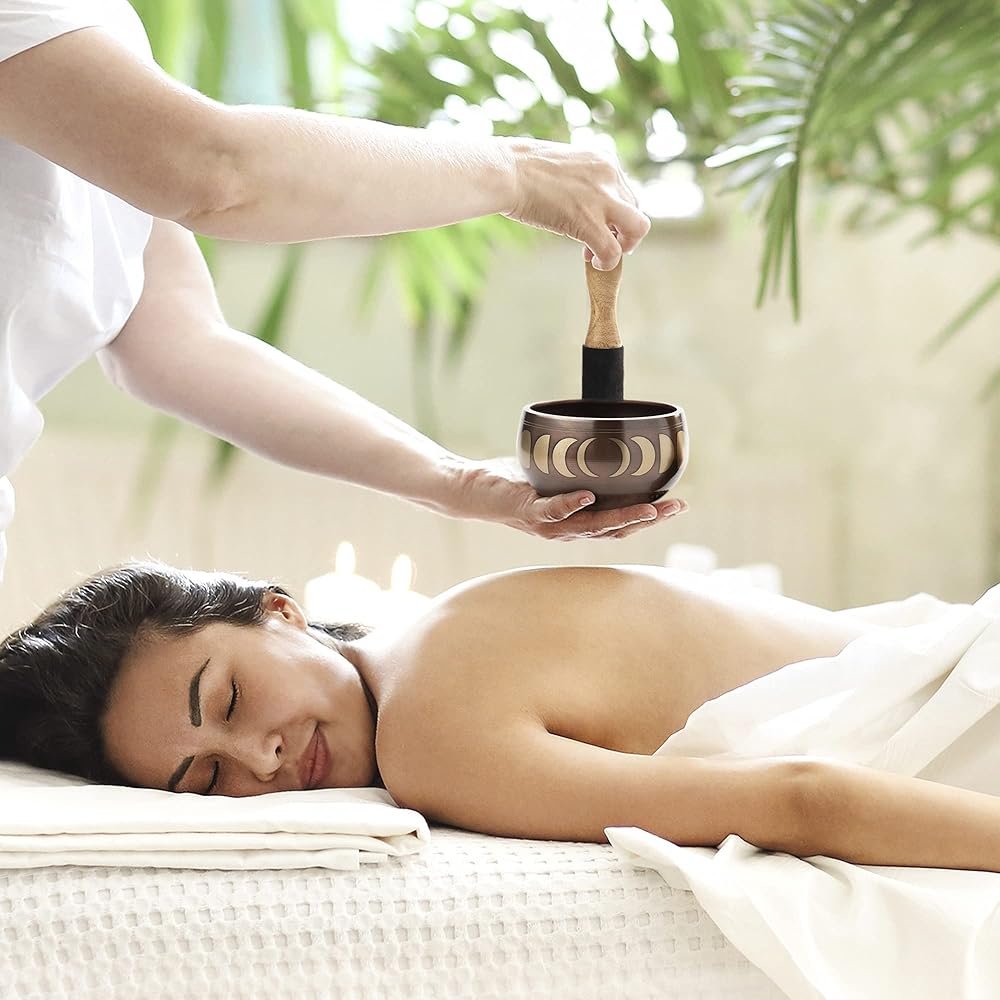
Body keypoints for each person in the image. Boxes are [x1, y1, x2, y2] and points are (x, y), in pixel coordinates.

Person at [0, 1, 686, 585]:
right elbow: (212, 169)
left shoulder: (97, 23)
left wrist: (458, 482)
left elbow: (176, 342)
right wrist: (515, 172)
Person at [4, 557, 1000, 875]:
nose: (258, 758)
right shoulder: (435, 620)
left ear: (280, 611)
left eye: (225, 700)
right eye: (207, 778)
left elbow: (802, 800)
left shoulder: (429, 732)